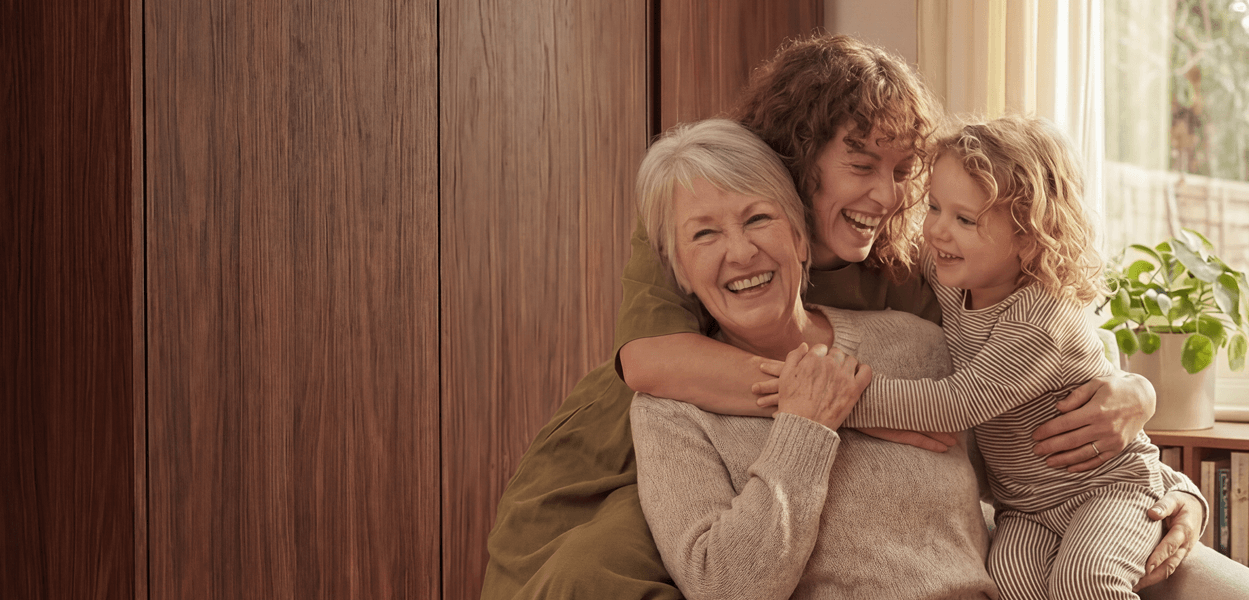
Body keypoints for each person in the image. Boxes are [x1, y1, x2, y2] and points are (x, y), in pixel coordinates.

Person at [481, 34, 1219, 600]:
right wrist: (834, 405)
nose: (889, 195)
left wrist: (1143, 412)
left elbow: (1032, 349)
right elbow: (650, 364)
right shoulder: (698, 210)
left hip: (802, 473)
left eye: (905, 173)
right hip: (639, 448)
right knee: (588, 571)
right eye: (860, 164)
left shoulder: (908, 260)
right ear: (799, 158)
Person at [808, 115, 1197, 598]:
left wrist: (831, 396)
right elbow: (896, 247)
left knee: (1087, 580)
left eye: (965, 219)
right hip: (1025, 506)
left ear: (1030, 236)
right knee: (1008, 584)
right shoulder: (959, 270)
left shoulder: (1039, 321)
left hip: (1105, 489)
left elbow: (951, 405)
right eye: (934, 207)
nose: (936, 232)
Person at [629, 117, 998, 599]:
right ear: (678, 268)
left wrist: (1130, 394)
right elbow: (726, 588)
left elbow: (1024, 485)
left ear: (801, 239)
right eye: (704, 235)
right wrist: (804, 428)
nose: (740, 252)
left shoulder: (920, 345)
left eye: (758, 219)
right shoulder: (668, 413)